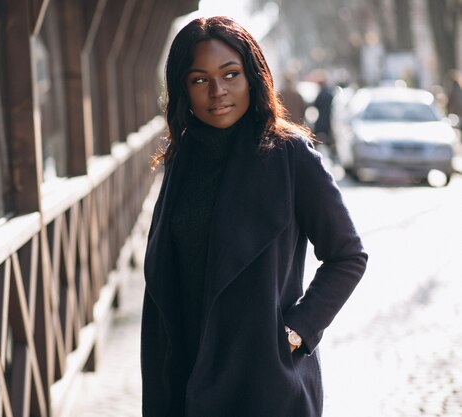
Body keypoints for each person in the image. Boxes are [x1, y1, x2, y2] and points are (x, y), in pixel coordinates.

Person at [142, 16, 367, 417]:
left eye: (231, 74)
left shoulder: (290, 155)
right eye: (199, 79)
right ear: (182, 88)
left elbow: (347, 254)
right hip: (184, 374)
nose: (218, 91)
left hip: (264, 381)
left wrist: (297, 329)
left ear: (254, 76)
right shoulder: (182, 158)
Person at [312, 72, 335, 158]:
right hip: (328, 119)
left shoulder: (320, 94)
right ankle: (332, 154)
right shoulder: (330, 93)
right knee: (328, 138)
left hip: (321, 119)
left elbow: (315, 105)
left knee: (318, 137)